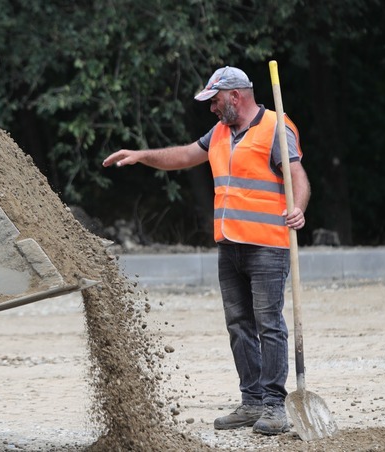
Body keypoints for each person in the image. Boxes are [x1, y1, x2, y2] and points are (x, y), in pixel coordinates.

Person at [102, 66, 310, 435]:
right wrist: (141, 155)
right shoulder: (220, 132)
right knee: (239, 326)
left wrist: (299, 208)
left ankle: (275, 406)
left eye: (215, 100)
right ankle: (251, 402)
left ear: (235, 96)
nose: (212, 108)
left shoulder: (276, 128)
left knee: (269, 325)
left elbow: (297, 177)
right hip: (229, 245)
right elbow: (183, 156)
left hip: (267, 245)